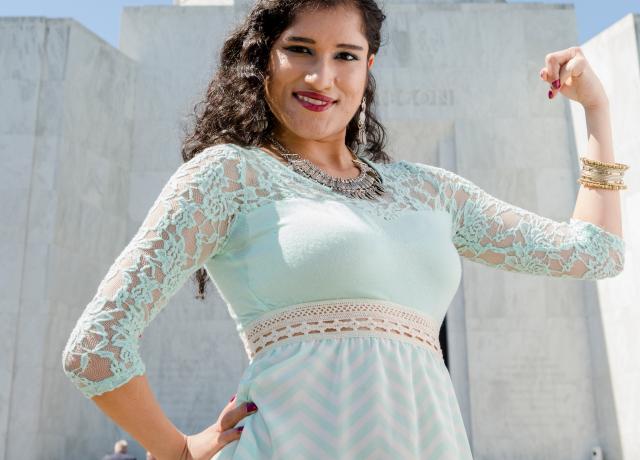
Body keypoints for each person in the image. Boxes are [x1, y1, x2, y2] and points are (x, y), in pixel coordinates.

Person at [61, 0, 629, 458]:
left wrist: (596, 110)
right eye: (299, 49)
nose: (321, 76)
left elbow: (594, 254)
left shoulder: (428, 190)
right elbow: (95, 346)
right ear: (265, 59)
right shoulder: (229, 175)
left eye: (346, 55)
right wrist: (177, 451)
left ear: (369, 67)